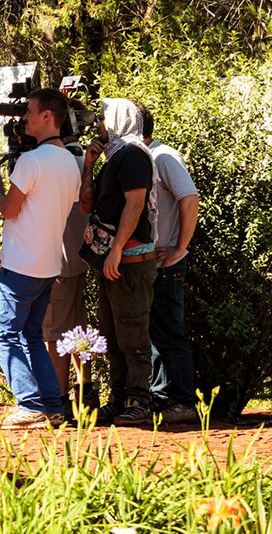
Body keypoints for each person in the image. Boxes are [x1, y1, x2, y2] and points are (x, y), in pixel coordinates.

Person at [0, 89, 81, 429]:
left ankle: (29, 404)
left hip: (22, 263)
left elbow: (10, 210)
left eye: (30, 111)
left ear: (48, 116)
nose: (24, 117)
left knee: (3, 333)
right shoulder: (71, 162)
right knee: (30, 335)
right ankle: (52, 405)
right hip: (49, 263)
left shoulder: (31, 161)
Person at [79, 98, 157, 426]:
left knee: (133, 333)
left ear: (118, 120)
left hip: (130, 258)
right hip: (113, 260)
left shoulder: (134, 155)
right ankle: (119, 398)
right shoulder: (114, 158)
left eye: (103, 119)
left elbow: (135, 206)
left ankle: (140, 401)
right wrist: (88, 166)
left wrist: (116, 250)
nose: (97, 125)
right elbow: (87, 206)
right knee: (113, 334)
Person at [138, 102, 200, 424]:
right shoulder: (148, 156)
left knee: (168, 330)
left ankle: (182, 401)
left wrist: (179, 248)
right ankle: (163, 398)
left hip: (167, 261)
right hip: (152, 259)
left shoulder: (163, 157)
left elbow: (189, 198)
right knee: (156, 331)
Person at [43, 103, 96, 420]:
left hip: (59, 262)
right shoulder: (80, 160)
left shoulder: (57, 162)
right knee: (79, 328)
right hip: (78, 258)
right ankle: (86, 389)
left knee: (56, 334)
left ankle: (59, 400)